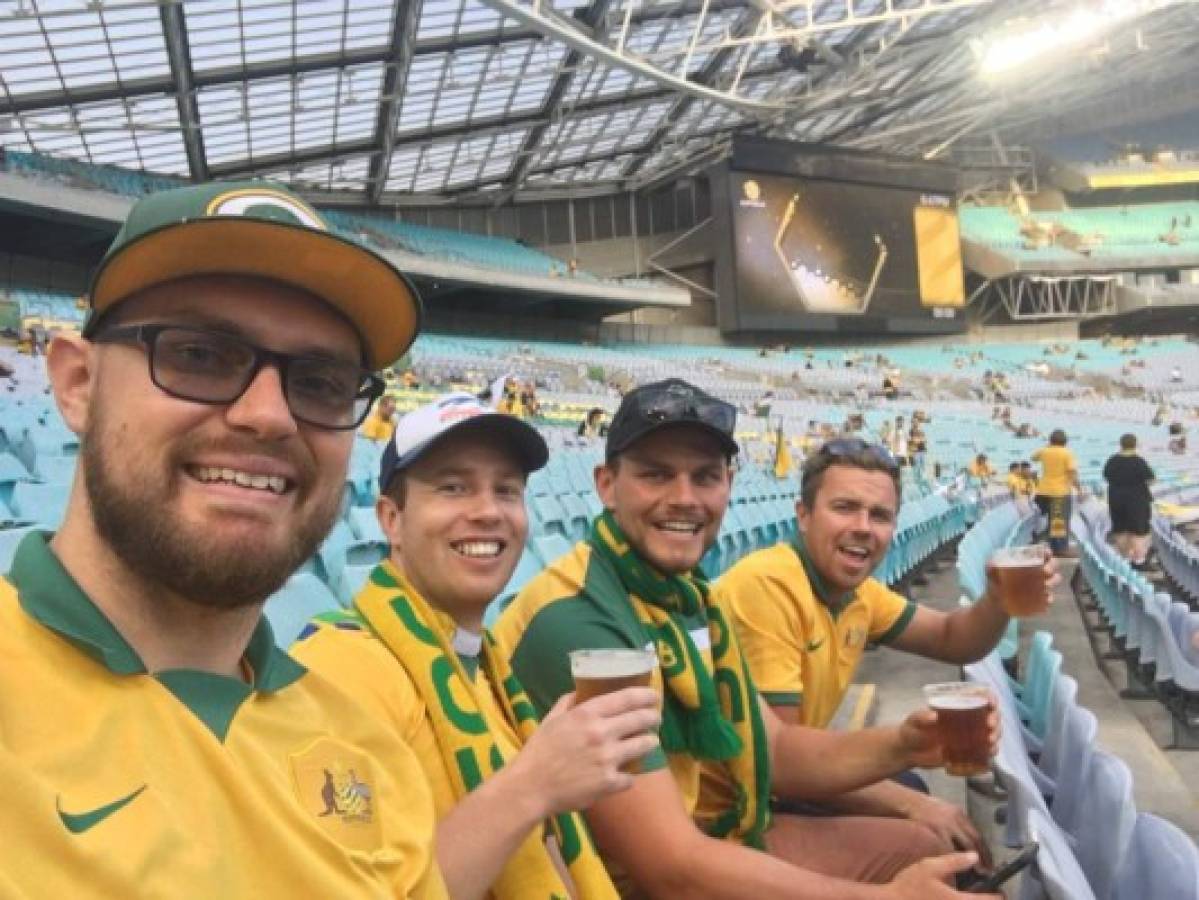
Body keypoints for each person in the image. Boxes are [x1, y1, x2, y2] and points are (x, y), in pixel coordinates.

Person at [1, 181, 446, 896]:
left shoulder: (372, 761)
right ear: (78, 382)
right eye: (199, 355)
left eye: (322, 381)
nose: (268, 415)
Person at [495, 379, 997, 899]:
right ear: (606, 484)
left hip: (711, 832)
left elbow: (772, 749)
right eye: (656, 475)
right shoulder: (579, 622)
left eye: (705, 477)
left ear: (727, 487)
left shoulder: (685, 598)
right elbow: (671, 873)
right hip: (628, 882)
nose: (684, 498)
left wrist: (906, 744)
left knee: (926, 849)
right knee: (919, 860)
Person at [293, 393, 659, 899]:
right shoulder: (340, 669)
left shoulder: (487, 672)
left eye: (507, 491)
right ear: (390, 519)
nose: (488, 511)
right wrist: (533, 784)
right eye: (453, 487)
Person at [718, 438, 1054, 848]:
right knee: (924, 837)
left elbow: (954, 639)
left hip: (784, 781)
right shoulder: (768, 586)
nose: (863, 527)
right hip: (739, 805)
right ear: (803, 515)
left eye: (879, 515)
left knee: (915, 794)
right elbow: (782, 767)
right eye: (844, 508)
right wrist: (910, 798)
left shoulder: (857, 594)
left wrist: (998, 602)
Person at [1103, 434, 1155, 568]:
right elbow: (1151, 479)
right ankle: (1138, 560)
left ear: (1121, 444)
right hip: (1137, 500)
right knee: (1138, 530)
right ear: (1135, 444)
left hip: (1116, 498)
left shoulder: (1112, 460)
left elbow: (1106, 476)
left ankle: (1124, 558)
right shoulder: (1139, 461)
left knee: (1120, 529)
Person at [1032, 429, 1079, 557]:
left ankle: (1052, 546)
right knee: (1059, 520)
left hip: (1043, 491)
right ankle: (1060, 549)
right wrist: (1078, 488)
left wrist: (1048, 447)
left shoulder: (1044, 451)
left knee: (1051, 520)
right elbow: (1072, 472)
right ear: (1065, 441)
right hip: (1059, 491)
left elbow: (1033, 457)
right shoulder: (1067, 453)